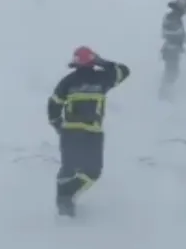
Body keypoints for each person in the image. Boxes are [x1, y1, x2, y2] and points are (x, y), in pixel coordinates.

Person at [46, 47, 130, 217]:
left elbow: (53, 105)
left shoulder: (67, 81)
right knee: (92, 172)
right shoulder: (102, 78)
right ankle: (68, 196)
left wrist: (58, 125)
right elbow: (124, 71)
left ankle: (63, 203)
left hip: (69, 132)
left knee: (68, 168)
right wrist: (103, 62)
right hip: (92, 133)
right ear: (93, 62)